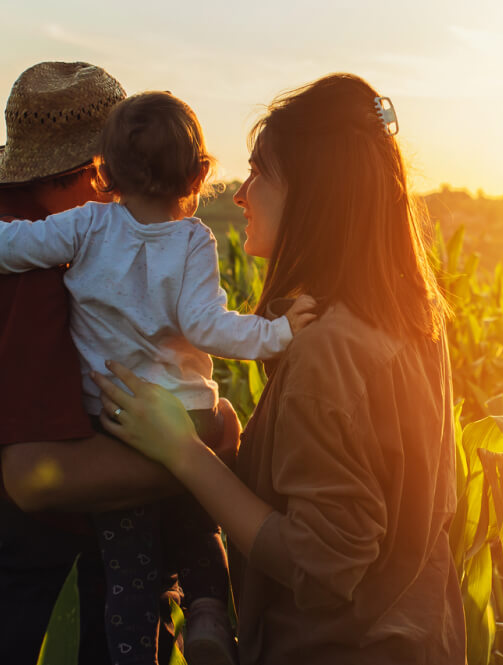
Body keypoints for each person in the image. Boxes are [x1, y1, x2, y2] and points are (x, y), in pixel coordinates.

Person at [91, 74, 466, 664]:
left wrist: (184, 454)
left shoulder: (329, 351)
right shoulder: (411, 316)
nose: (240, 194)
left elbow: (321, 565)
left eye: (260, 172)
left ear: (312, 195)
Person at [0, 89, 316, 665]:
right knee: (196, 509)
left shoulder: (80, 228)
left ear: (106, 173)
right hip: (185, 411)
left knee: (128, 556)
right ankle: (210, 609)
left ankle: (133, 648)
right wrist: (278, 336)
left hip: (111, 414)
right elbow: (207, 325)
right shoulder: (192, 240)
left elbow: (5, 246)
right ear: (199, 174)